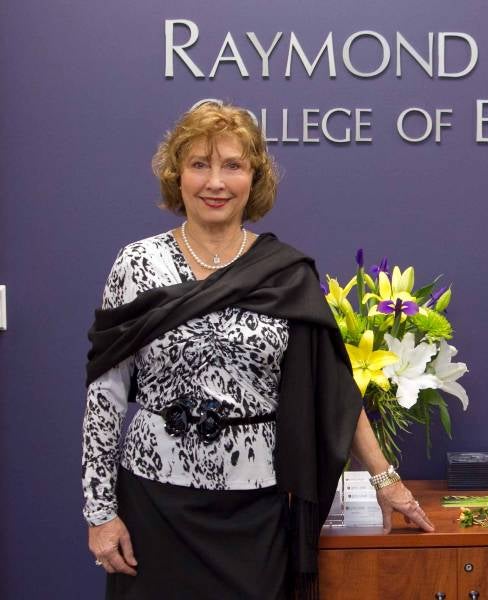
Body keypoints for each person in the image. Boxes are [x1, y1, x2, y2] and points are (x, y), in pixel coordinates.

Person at [81, 99, 434, 600]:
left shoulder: (285, 273)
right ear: (176, 175)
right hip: (152, 504)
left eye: (232, 165)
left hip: (255, 510)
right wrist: (100, 513)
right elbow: (105, 395)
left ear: (255, 177)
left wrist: (386, 479)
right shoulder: (136, 265)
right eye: (199, 165)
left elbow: (331, 389)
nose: (216, 182)